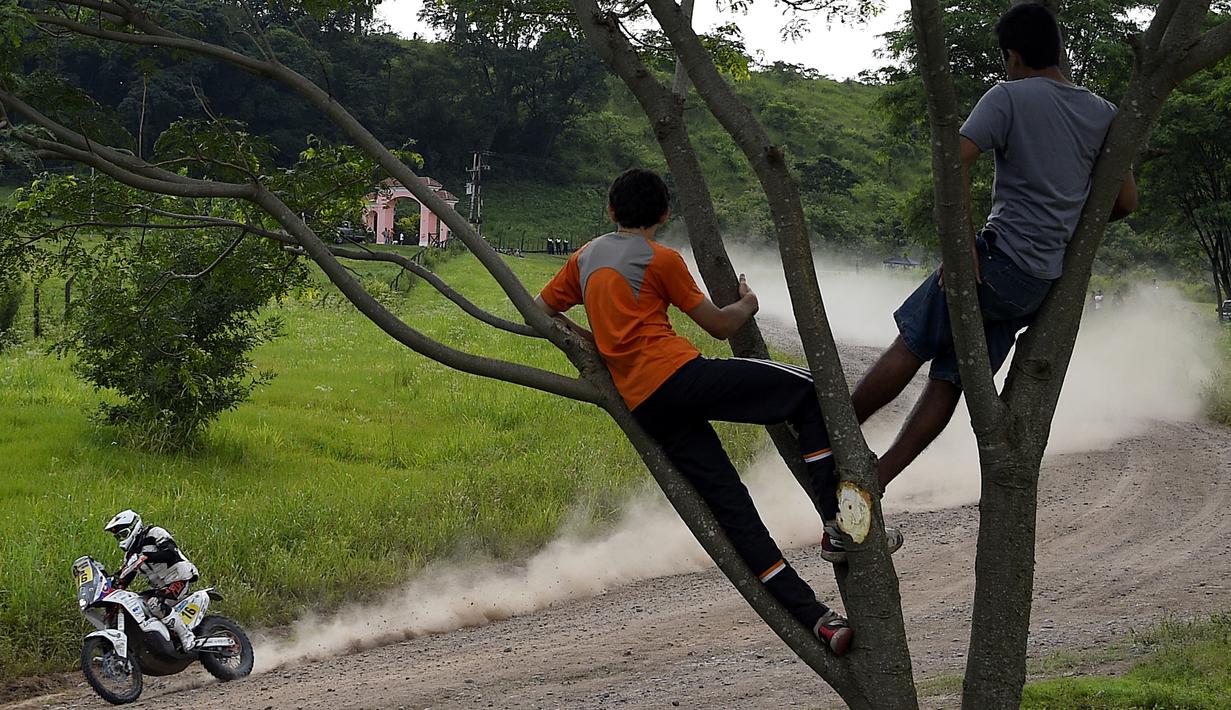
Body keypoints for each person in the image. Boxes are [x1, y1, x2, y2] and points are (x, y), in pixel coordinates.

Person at [535, 168, 901, 655]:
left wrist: (595, 347)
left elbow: (538, 308)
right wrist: (749, 302)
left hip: (645, 405)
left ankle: (819, 621)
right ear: (664, 214)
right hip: (680, 377)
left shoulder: (583, 258)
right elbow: (721, 326)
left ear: (610, 210)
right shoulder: (660, 259)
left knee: (733, 512)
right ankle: (837, 522)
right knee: (813, 392)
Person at [849, 3, 1138, 491]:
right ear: (1060, 50)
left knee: (912, 344)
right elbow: (1126, 202)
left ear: (1014, 56)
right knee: (951, 380)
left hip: (995, 263)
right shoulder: (1102, 112)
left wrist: (963, 248)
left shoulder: (1008, 97)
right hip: (1037, 285)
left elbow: (953, 160)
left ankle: (828, 432)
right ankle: (879, 476)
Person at [103, 509, 201, 651]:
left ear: (134, 527)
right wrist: (109, 585)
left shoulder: (154, 533)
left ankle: (187, 637)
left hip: (179, 578)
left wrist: (148, 556)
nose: (121, 539)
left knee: (155, 604)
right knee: (138, 604)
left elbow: (170, 553)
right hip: (160, 588)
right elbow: (124, 579)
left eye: (123, 534)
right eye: (118, 537)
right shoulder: (131, 556)